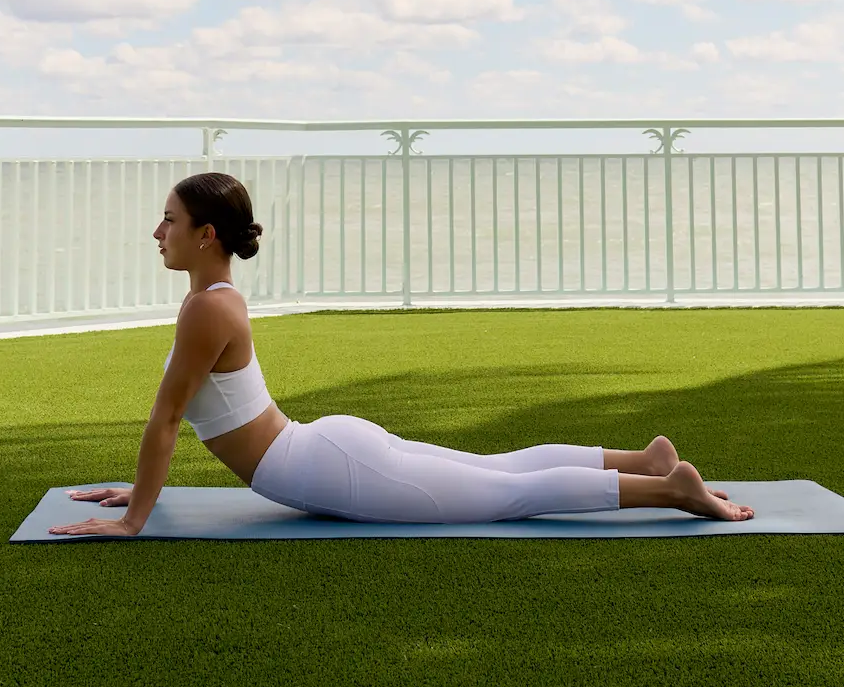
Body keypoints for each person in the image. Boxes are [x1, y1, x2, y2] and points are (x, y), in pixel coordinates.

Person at [50, 172, 755, 536]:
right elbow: (194, 419)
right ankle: (640, 461)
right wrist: (141, 489)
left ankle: (669, 487)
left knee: (507, 495)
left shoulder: (207, 308)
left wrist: (135, 515)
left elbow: (167, 421)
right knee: (494, 471)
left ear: (206, 235)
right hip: (323, 451)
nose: (157, 231)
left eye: (169, 220)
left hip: (325, 466)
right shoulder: (212, 301)